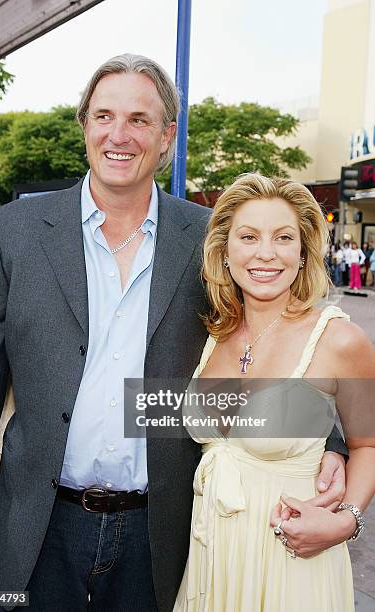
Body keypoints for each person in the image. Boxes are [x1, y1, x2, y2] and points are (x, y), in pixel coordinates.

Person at [0, 56, 347, 612]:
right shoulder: (16, 231)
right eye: (104, 115)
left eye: (140, 120)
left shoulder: (207, 237)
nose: (119, 135)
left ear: (168, 136)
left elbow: (270, 341)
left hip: (166, 530)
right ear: (85, 126)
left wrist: (328, 442)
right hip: (37, 528)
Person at [174, 174, 375, 612]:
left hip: (291, 561)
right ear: (225, 252)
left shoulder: (340, 340)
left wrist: (345, 522)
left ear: (303, 253)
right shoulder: (210, 334)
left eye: (283, 238)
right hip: (212, 558)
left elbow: (368, 443)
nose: (266, 253)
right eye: (248, 237)